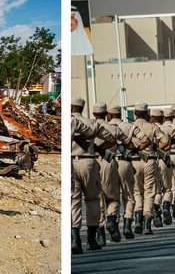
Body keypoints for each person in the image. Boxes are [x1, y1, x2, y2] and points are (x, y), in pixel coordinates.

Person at [71, 97, 116, 254]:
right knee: (92, 200)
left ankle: (75, 240)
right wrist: (97, 149)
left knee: (74, 202)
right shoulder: (92, 124)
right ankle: (91, 240)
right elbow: (111, 139)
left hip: (71, 162)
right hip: (89, 162)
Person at [108, 105, 149, 239]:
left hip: (108, 163)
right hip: (125, 162)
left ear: (108, 115)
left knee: (112, 196)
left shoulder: (103, 126)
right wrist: (135, 151)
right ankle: (127, 225)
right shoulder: (129, 126)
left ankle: (112, 221)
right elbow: (146, 140)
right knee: (129, 196)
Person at [92, 103, 130, 245]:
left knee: (97, 199)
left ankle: (100, 234)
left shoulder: (87, 127)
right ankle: (111, 218)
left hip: (91, 163)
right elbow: (128, 143)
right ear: (105, 114)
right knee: (113, 197)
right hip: (109, 163)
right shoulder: (114, 129)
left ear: (94, 114)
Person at [132, 102, 170, 235]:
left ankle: (137, 220)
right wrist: (157, 149)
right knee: (149, 192)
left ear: (134, 113)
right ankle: (147, 224)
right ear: (147, 114)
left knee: (137, 192)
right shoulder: (152, 127)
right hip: (149, 161)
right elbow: (165, 141)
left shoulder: (130, 127)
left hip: (134, 161)